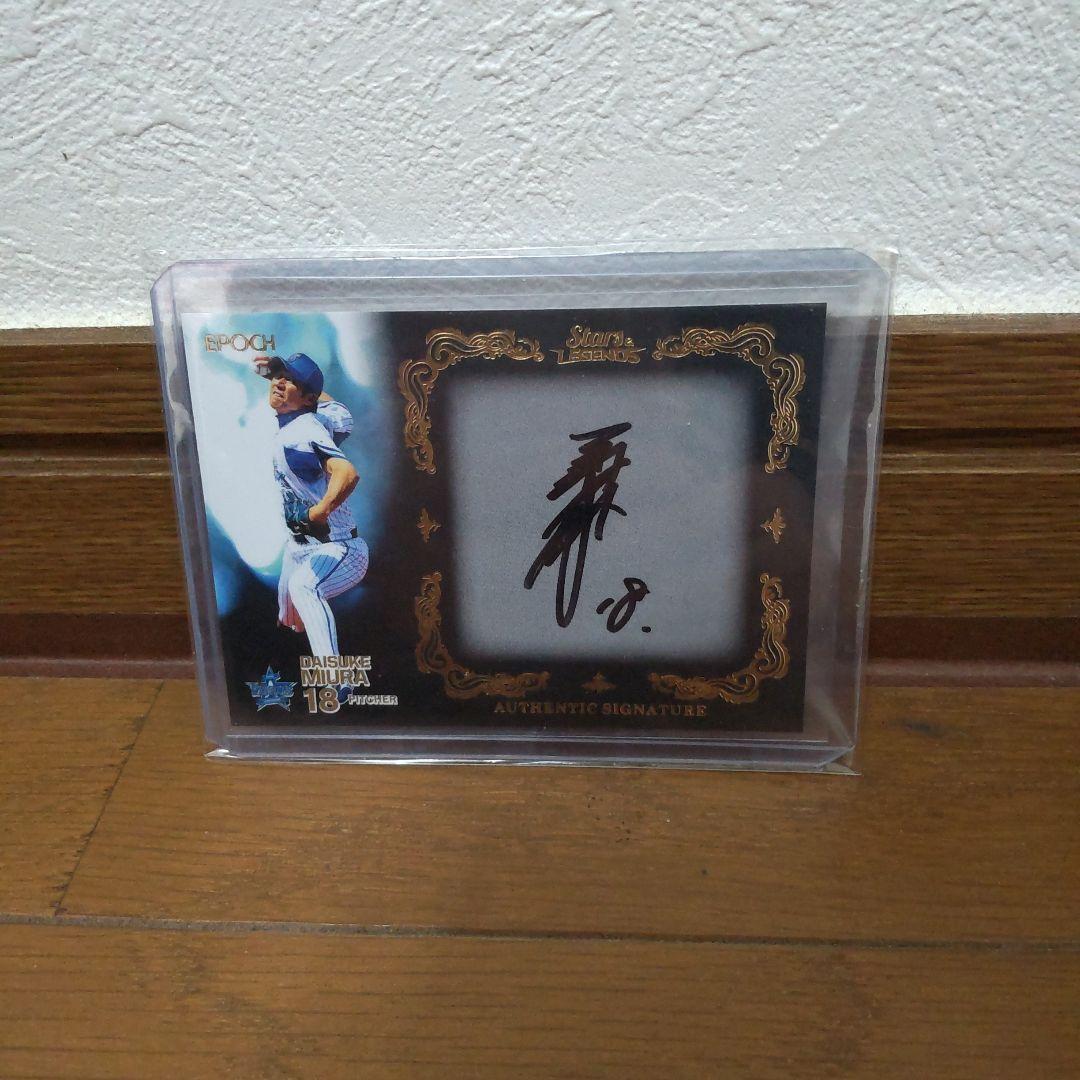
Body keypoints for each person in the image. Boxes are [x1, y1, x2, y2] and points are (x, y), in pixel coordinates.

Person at [255, 353, 368, 658]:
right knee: (289, 619)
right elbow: (336, 408)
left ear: (307, 399)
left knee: (304, 588)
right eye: (279, 376)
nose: (279, 382)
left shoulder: (303, 433)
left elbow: (347, 473)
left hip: (339, 548)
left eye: (290, 380)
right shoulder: (328, 415)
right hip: (299, 547)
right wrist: (276, 376)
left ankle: (335, 675)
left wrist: (320, 511)